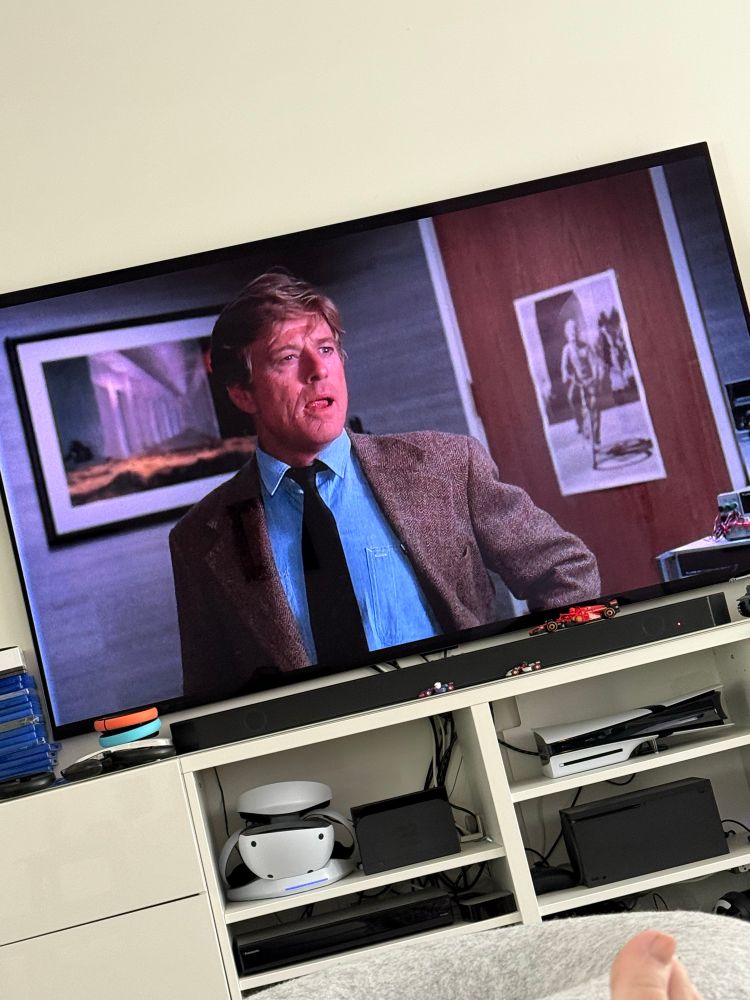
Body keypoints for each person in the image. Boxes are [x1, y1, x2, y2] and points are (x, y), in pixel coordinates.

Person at [170, 270, 600, 702]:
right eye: (286, 358)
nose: (319, 370)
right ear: (243, 394)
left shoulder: (444, 465)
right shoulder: (200, 539)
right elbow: (211, 701)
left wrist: (527, 679)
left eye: (326, 349)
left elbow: (567, 571)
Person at [561, 317, 602, 445]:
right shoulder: (567, 349)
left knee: (595, 406)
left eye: (574, 329)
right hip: (577, 380)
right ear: (567, 334)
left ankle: (596, 435)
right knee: (572, 397)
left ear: (577, 331)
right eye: (570, 331)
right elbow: (564, 366)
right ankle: (579, 424)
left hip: (589, 380)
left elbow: (594, 363)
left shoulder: (585, 347)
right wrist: (565, 374)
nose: (573, 333)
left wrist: (596, 377)